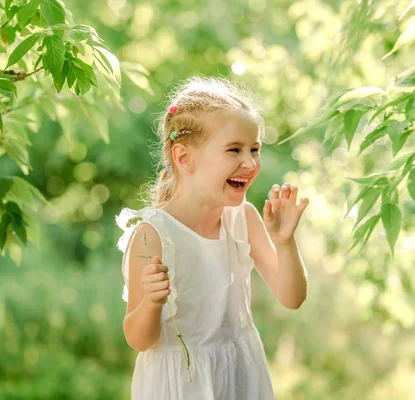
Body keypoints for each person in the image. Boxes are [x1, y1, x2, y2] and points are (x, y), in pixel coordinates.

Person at [115, 76, 310, 399]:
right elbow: (139, 339)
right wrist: (151, 302)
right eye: (234, 149)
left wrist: (285, 242)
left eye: (254, 149)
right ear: (184, 158)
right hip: (180, 386)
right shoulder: (152, 235)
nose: (249, 163)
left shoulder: (243, 218)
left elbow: (292, 298)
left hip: (239, 377)